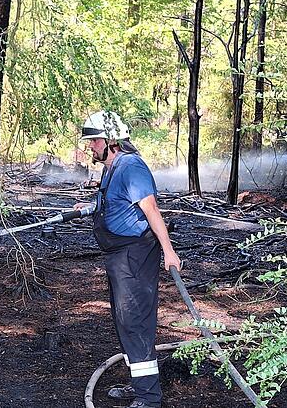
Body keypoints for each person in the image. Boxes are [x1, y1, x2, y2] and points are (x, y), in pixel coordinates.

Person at [74, 111, 181, 408]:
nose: (91, 146)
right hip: (118, 256)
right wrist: (90, 206)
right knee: (124, 321)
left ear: (112, 141)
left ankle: (149, 398)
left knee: (135, 322)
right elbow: (113, 201)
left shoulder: (131, 167)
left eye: (95, 141)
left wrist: (169, 252)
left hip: (135, 256)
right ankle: (139, 385)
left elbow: (152, 211)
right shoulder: (111, 167)